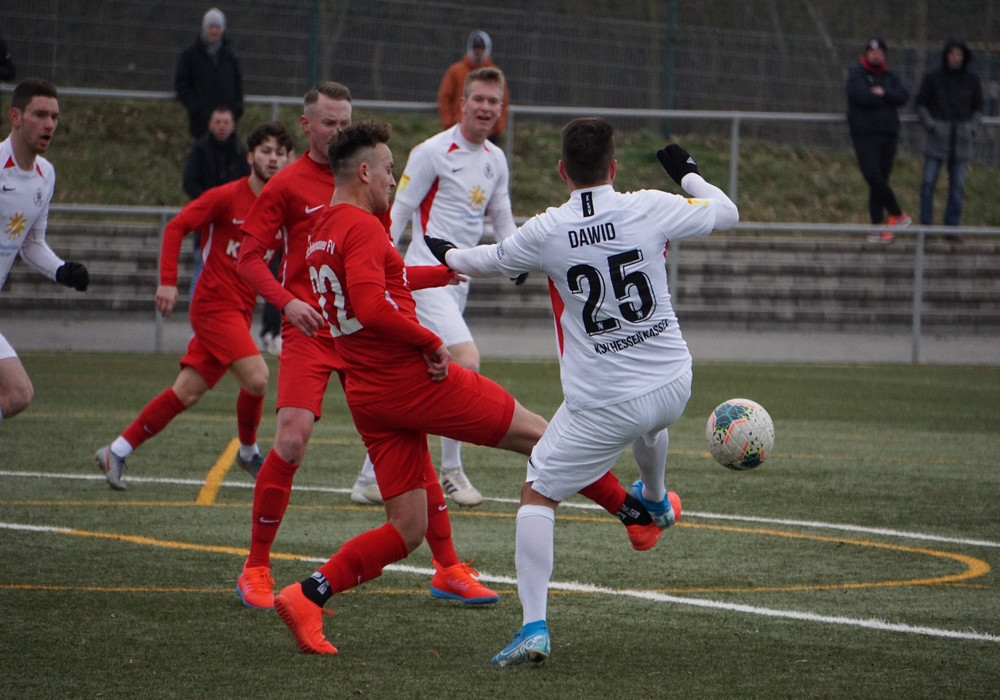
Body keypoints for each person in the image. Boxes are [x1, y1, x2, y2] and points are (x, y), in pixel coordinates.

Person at [424, 117, 740, 666]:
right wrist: (688, 174)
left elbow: (488, 260)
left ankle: (534, 628)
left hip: (604, 402)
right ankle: (656, 499)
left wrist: (446, 253)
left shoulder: (548, 229)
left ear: (561, 171)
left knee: (537, 493)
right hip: (674, 381)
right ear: (613, 168)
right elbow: (727, 212)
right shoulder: (648, 205)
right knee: (652, 422)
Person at [272, 120, 549, 655]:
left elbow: (378, 282)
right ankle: (638, 509)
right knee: (541, 437)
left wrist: (436, 276)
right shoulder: (362, 226)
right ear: (364, 172)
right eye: (389, 170)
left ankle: (308, 595)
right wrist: (429, 340)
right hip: (405, 379)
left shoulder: (322, 226)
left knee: (406, 527)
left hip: (370, 392)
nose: (393, 180)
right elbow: (372, 304)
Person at [235, 82, 500, 612]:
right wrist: (288, 303)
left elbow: (384, 273)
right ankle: (256, 566)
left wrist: (439, 275)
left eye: (344, 121)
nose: (338, 130)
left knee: (411, 438)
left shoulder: (368, 185)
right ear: (306, 125)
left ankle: (448, 568)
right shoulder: (286, 185)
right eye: (328, 122)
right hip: (312, 330)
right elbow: (247, 258)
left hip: (364, 334)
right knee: (291, 440)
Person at [349, 66, 517, 508]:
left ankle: (369, 477)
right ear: (461, 104)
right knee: (466, 360)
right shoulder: (432, 152)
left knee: (418, 376)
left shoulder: (496, 160)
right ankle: (451, 471)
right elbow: (397, 210)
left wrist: (519, 258)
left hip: (457, 283)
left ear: (501, 108)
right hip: (422, 277)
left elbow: (502, 219)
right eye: (478, 99)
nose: (485, 108)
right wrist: (383, 266)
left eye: (493, 101)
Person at [93, 122, 293, 489]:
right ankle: (248, 452)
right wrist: (168, 281)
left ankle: (116, 451)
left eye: (280, 153)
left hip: (239, 311)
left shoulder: (281, 210)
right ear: (250, 157)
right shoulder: (226, 197)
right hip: (213, 306)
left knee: (186, 392)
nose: (273, 158)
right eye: (266, 151)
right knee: (258, 377)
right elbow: (176, 227)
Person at [1, 78, 89, 423]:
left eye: (54, 117)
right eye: (39, 114)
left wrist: (62, 270)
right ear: (15, 117)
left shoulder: (45, 175)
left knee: (18, 395)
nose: (49, 124)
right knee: (18, 392)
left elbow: (31, 243)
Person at [914, 38, 984, 242]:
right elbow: (920, 104)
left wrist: (971, 127)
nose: (956, 58)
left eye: (959, 54)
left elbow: (978, 108)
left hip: (961, 141)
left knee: (957, 186)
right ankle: (925, 227)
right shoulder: (933, 78)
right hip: (937, 139)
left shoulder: (972, 80)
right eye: (953, 54)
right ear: (946, 55)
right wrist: (931, 125)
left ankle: (952, 227)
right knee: (928, 182)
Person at [846, 37, 911, 244]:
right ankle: (897, 213)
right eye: (873, 52)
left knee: (880, 182)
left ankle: (877, 228)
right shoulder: (857, 74)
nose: (877, 56)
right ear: (866, 53)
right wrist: (883, 98)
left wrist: (883, 93)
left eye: (880, 52)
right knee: (873, 176)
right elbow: (860, 96)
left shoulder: (889, 77)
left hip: (888, 135)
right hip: (865, 135)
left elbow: (903, 96)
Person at [182, 107, 250, 294]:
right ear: (209, 124)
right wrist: (208, 203)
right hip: (206, 217)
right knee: (202, 264)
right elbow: (190, 182)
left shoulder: (240, 152)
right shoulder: (199, 150)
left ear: (233, 125)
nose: (222, 126)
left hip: (233, 219)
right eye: (217, 122)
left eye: (226, 122)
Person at [174, 7, 243, 140]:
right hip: (201, 123)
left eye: (217, 27)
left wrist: (237, 109)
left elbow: (238, 85)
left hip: (227, 123)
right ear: (204, 28)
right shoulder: (190, 55)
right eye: (211, 27)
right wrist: (195, 107)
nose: (214, 31)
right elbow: (181, 84)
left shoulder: (230, 57)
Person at [437, 30, 509, 141]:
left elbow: (503, 101)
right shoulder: (456, 71)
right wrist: (449, 123)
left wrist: (498, 128)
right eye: (475, 48)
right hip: (459, 130)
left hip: (488, 133)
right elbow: (445, 97)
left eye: (481, 49)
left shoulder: (494, 73)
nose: (478, 52)